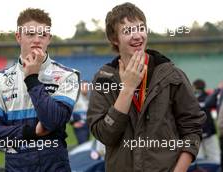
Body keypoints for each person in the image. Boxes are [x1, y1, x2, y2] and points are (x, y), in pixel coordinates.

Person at [87, 2, 206, 172]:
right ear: (114, 39)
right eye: (128, 31)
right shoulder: (103, 79)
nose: (137, 36)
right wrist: (127, 90)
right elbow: (104, 135)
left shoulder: (171, 75)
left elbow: (193, 128)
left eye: (141, 28)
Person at [0, 8, 79, 172]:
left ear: (49, 39)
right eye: (30, 34)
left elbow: (53, 121)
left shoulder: (67, 76)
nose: (37, 40)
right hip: (16, 167)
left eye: (42, 35)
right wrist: (30, 131)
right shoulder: (0, 80)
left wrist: (32, 78)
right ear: (18, 37)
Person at [193, 79, 220, 163]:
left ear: (194, 87)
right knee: (212, 156)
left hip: (202, 131)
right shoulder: (209, 96)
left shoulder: (191, 98)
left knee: (200, 157)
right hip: (205, 131)